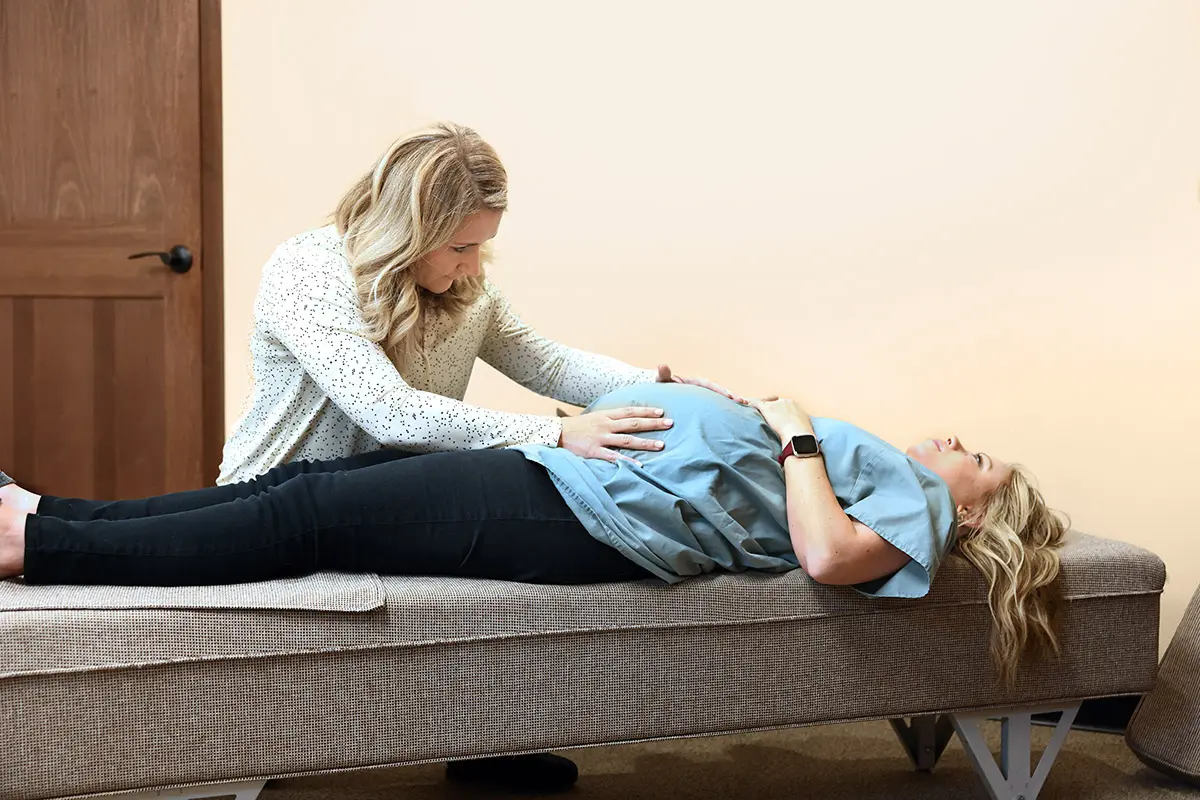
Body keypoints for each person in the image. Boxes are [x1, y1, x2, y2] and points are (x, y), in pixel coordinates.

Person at [213, 120, 739, 790]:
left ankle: (488, 734)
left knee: (525, 540)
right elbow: (390, 412)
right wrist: (555, 434)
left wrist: (653, 386)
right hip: (277, 502)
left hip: (395, 504)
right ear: (408, 230)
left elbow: (545, 361)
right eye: (460, 246)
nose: (472, 263)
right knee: (516, 509)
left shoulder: (465, 288)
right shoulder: (311, 270)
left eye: (481, 246)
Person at [0, 381, 1069, 697]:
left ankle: (35, 548)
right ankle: (49, 515)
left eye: (977, 454)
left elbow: (828, 557)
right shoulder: (899, 481)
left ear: (974, 508)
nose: (954, 439)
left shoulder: (922, 513)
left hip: (588, 519)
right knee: (312, 481)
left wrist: (790, 432)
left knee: (309, 516)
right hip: (584, 477)